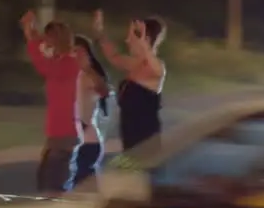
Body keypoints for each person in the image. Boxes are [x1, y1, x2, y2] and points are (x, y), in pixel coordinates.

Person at [21, 11, 79, 195]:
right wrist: (30, 31)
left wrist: (29, 33)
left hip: (66, 134)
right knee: (47, 182)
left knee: (51, 185)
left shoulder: (69, 64)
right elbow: (40, 55)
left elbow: (40, 61)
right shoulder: (62, 62)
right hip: (56, 134)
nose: (44, 44)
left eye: (48, 40)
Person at [93, 11, 166, 152]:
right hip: (130, 140)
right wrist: (99, 32)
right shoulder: (133, 64)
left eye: (131, 37)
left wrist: (143, 43)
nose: (127, 40)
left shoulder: (156, 69)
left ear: (146, 39)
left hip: (146, 142)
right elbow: (113, 56)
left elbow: (156, 68)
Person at [71, 35, 111, 187]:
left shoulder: (89, 75)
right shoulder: (77, 76)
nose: (77, 55)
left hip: (89, 142)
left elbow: (104, 90)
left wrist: (88, 68)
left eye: (80, 51)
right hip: (82, 140)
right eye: (74, 51)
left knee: (82, 185)